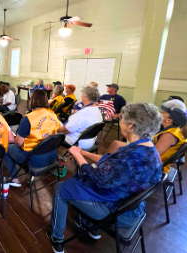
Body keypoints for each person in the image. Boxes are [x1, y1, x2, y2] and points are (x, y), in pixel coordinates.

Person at [47, 103, 163, 252]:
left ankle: (56, 238)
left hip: (115, 210)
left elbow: (98, 178)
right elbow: (109, 161)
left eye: (122, 119)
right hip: (130, 205)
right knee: (81, 183)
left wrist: (77, 156)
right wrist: (84, 153)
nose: (120, 121)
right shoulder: (148, 150)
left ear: (131, 126)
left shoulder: (129, 157)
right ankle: (91, 228)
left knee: (60, 188)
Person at [108, 99, 187, 173]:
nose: (160, 113)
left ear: (169, 120)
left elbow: (152, 155)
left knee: (118, 147)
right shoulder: (172, 130)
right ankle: (106, 165)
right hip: (150, 156)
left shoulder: (169, 135)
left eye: (163, 112)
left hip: (153, 167)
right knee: (116, 144)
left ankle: (107, 168)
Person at [5, 89, 61, 187]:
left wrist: (12, 138)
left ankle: (14, 179)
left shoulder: (28, 118)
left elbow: (18, 143)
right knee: (36, 145)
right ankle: (29, 175)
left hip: (34, 159)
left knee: (6, 148)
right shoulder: (53, 114)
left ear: (32, 100)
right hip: (52, 156)